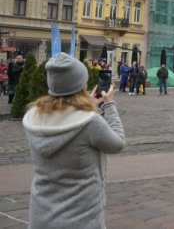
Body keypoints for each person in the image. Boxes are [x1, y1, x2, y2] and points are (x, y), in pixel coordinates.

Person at [22, 52, 125, 229]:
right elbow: (117, 143)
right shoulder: (89, 122)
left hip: (42, 214)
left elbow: (65, 118)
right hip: (80, 217)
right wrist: (109, 105)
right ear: (80, 84)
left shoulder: (33, 116)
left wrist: (90, 105)